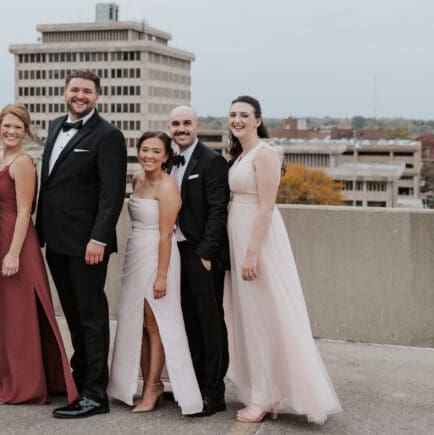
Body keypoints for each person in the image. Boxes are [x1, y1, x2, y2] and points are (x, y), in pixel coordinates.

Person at [224, 95, 342, 424]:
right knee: (252, 318)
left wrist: (251, 253)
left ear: (258, 120)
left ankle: (264, 396)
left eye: (244, 115)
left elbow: (266, 206)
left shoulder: (265, 154)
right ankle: (270, 392)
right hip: (240, 238)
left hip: (258, 243)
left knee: (267, 316)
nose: (237, 120)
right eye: (233, 114)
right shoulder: (241, 154)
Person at [36, 70, 127, 419]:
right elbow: (52, 183)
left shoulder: (108, 136)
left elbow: (111, 193)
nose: (80, 95)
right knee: (72, 314)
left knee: (91, 317)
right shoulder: (56, 125)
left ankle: (94, 394)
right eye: (74, 89)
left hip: (88, 244)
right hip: (56, 242)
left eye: (87, 91)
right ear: (65, 93)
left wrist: (99, 238)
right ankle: (80, 377)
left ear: (97, 97)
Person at [0, 105, 78, 406]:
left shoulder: (22, 163)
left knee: (19, 317)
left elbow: (24, 211)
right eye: (7, 126)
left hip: (15, 242)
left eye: (18, 128)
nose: (11, 131)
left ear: (26, 131)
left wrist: (13, 254)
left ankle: (23, 387)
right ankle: (4, 376)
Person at [109, 132, 202, 415]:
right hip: (134, 254)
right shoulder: (137, 179)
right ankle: (141, 383)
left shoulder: (167, 186)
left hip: (157, 255)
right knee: (137, 322)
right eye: (144, 149)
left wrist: (162, 275)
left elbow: (166, 235)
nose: (149, 155)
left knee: (155, 322)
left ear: (165, 156)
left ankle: (152, 388)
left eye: (155, 151)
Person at [167, 105, 231, 416]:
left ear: (197, 126)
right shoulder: (168, 160)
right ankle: (190, 385)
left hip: (200, 253)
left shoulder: (212, 161)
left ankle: (213, 392)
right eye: (176, 123)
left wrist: (206, 252)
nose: (181, 128)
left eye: (186, 123)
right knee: (187, 319)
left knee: (210, 322)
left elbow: (219, 210)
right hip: (175, 253)